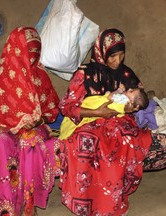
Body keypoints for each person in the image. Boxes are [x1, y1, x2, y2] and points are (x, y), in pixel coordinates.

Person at [58, 28, 152, 215]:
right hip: (87, 119)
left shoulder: (126, 74)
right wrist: (96, 112)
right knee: (86, 141)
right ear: (101, 52)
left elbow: (139, 100)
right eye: (112, 56)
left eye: (121, 54)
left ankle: (113, 200)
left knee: (126, 138)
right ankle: (86, 203)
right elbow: (66, 107)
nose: (117, 61)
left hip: (116, 121)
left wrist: (130, 109)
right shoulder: (84, 73)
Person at [0, 27, 60, 216]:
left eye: (35, 52)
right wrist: (13, 125)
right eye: (28, 52)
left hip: (35, 129)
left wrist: (39, 119)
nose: (32, 57)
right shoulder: (2, 78)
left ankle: (28, 204)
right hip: (7, 130)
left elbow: (52, 111)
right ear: (15, 50)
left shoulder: (41, 76)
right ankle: (7, 207)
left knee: (29, 140)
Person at [59, 87, 149, 140]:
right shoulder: (123, 109)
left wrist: (118, 91)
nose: (129, 89)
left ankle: (61, 139)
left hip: (91, 108)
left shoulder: (122, 102)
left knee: (70, 123)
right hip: (93, 110)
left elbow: (110, 96)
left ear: (132, 102)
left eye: (131, 91)